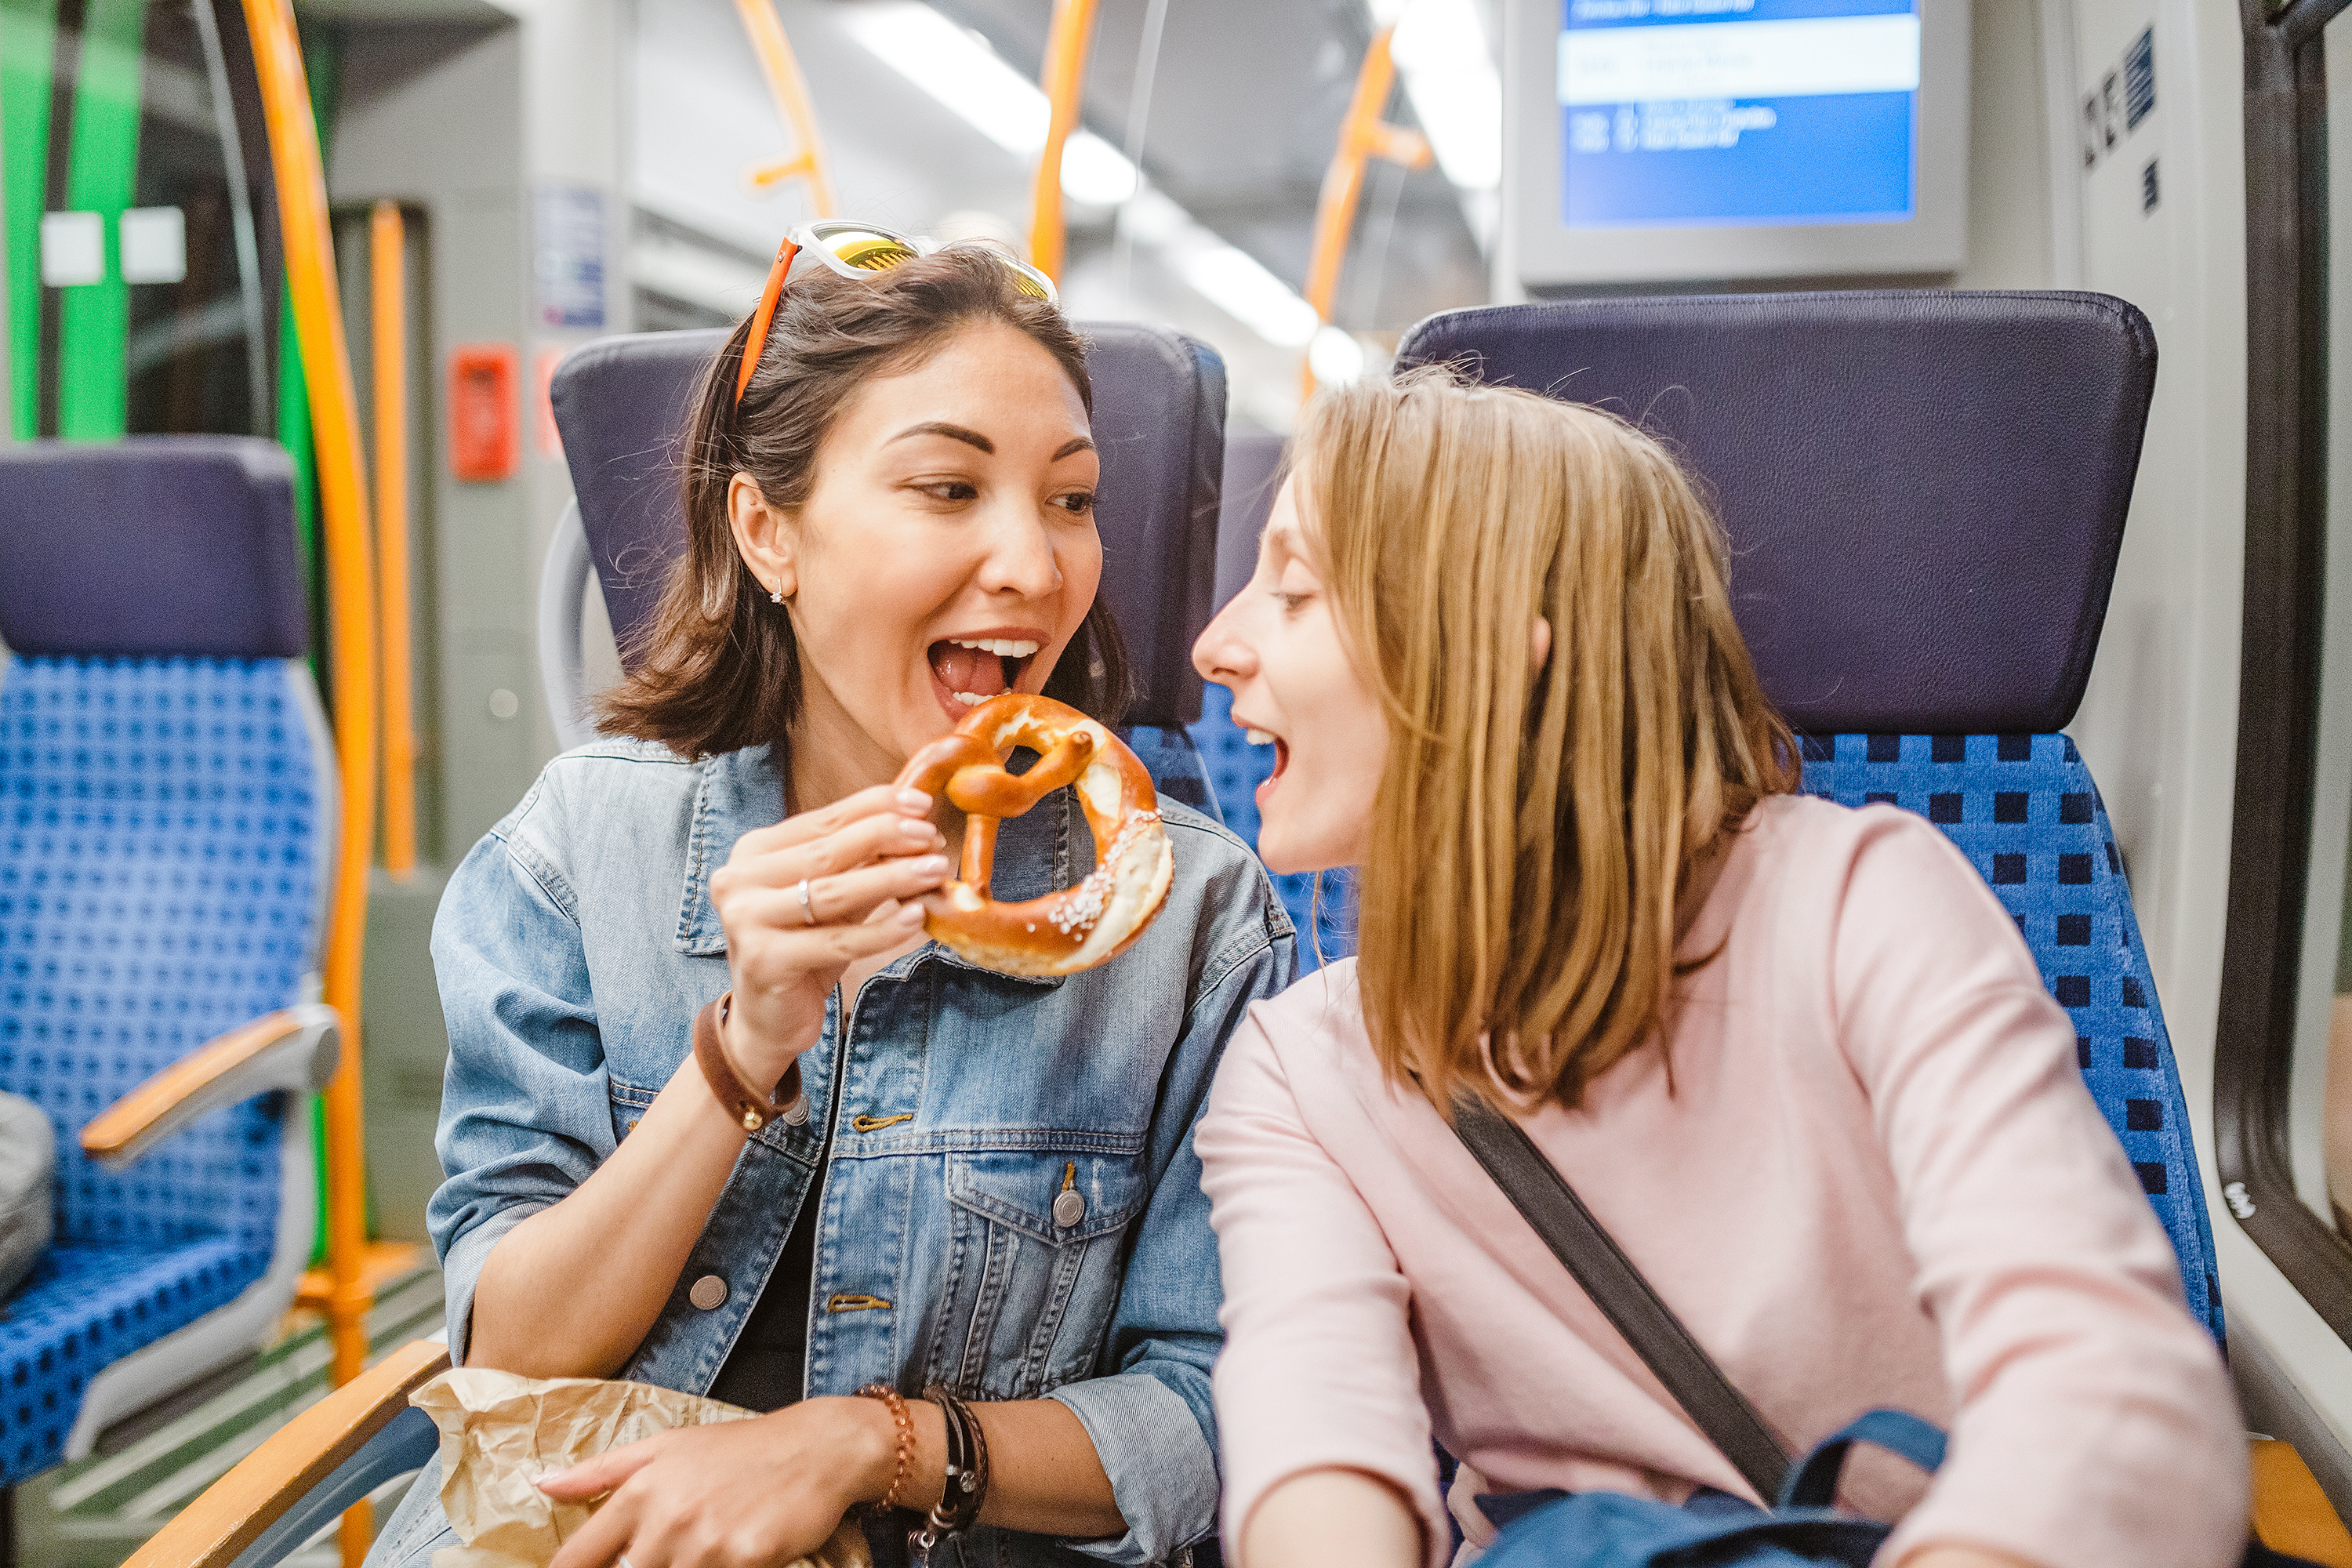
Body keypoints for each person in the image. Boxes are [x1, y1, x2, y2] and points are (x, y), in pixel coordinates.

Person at [1189, 370, 2246, 1568]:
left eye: (1293, 590)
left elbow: (2110, 1395)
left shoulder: (1860, 908)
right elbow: (1317, 1440)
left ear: (1487, 656)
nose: (1214, 647)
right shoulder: (1298, 1070)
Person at [368, 242, 1293, 1568]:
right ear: (768, 533)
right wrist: (743, 1049)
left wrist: (873, 1445)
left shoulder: (1197, 923)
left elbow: (1206, 1415)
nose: (1034, 566)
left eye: (1073, 500)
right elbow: (511, 1354)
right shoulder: (583, 851)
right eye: (947, 487)